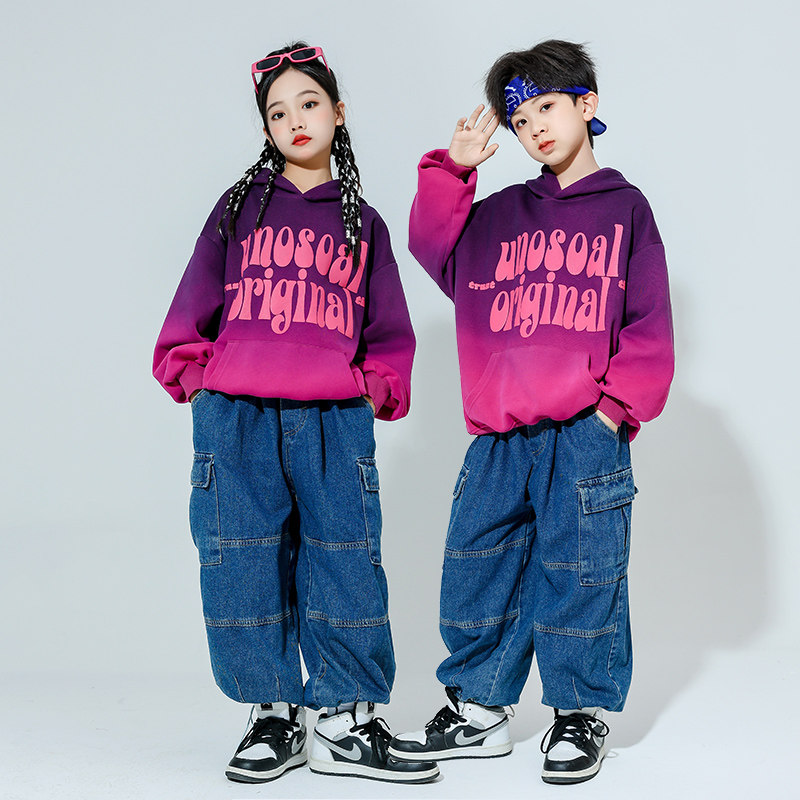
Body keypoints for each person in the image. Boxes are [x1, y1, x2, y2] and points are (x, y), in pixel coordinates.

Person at [388, 39, 674, 785]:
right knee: (476, 568)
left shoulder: (625, 209)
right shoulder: (498, 216)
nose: (536, 127)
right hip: (499, 434)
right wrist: (453, 171)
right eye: (520, 120)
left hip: (585, 432)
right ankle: (480, 710)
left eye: (547, 106)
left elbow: (648, 322)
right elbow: (430, 245)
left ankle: (578, 713)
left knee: (583, 571)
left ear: (587, 103)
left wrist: (614, 411)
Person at [153, 42, 438, 786]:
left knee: (345, 559)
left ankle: (344, 721)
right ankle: (273, 713)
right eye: (278, 113)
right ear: (267, 129)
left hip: (332, 419)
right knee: (241, 559)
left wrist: (373, 388)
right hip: (237, 416)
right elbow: (194, 301)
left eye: (309, 103)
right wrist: (197, 377)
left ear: (338, 113)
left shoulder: (364, 224)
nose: (295, 120)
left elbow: (389, 330)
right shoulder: (238, 209)